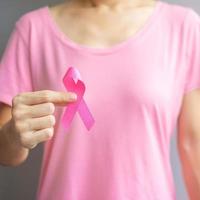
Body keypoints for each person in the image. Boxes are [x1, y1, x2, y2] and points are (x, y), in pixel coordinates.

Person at [0, 0, 200, 199]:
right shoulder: (33, 30)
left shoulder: (182, 27)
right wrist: (13, 135)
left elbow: (193, 143)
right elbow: (5, 153)